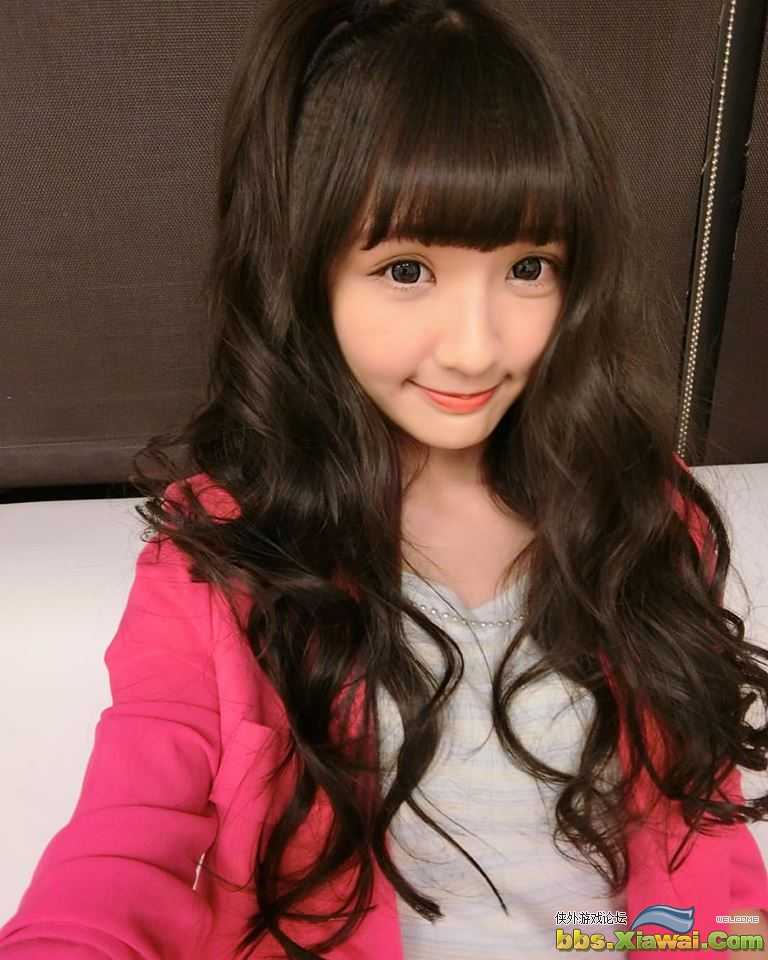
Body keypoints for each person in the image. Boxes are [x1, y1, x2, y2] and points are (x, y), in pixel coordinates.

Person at [2, 0, 768, 957]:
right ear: (303, 273)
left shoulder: (640, 511)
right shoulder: (224, 559)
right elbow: (125, 847)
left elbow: (702, 843)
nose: (477, 347)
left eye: (529, 267)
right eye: (407, 270)